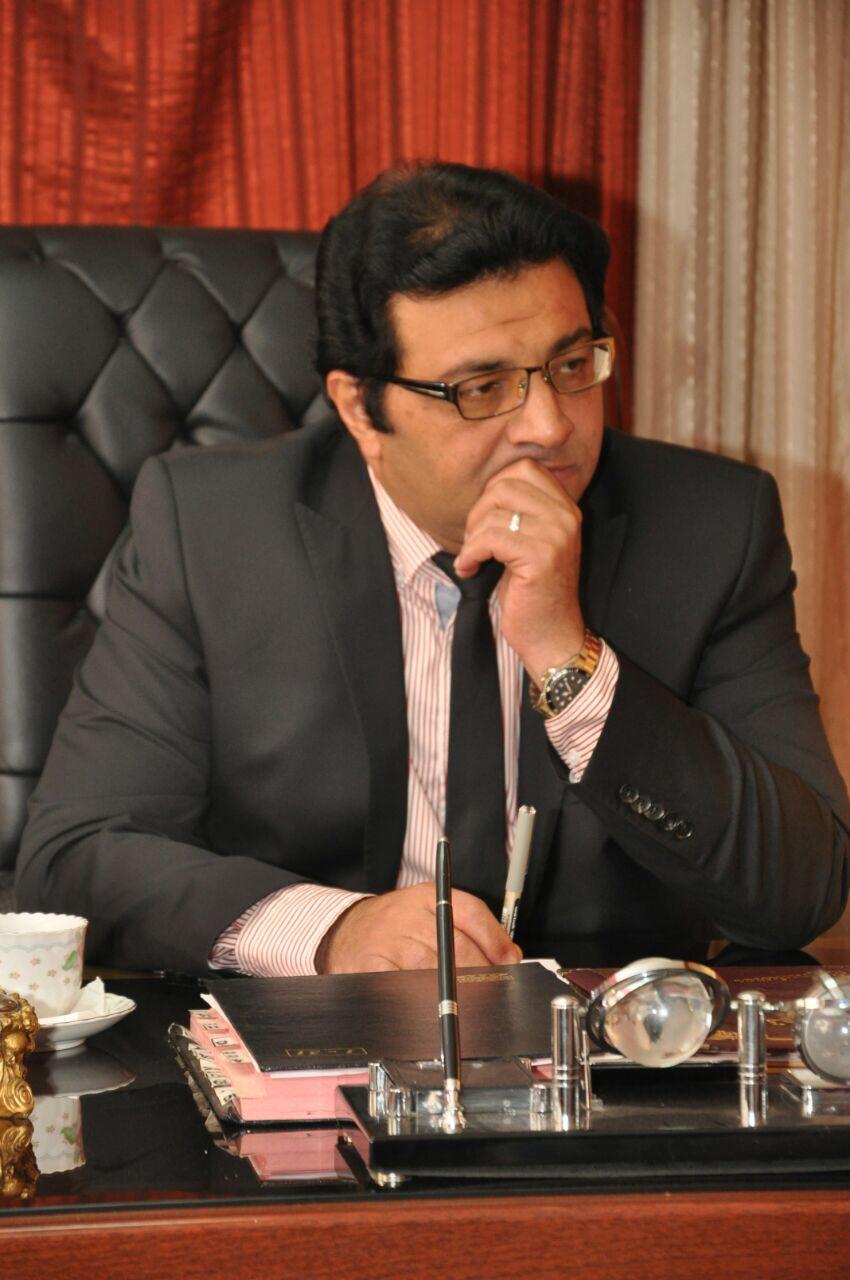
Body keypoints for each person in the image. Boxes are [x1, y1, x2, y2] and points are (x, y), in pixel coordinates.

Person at [15, 162, 850, 976]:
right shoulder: (212, 530)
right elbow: (78, 856)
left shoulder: (710, 527)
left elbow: (804, 889)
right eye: (482, 387)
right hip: (313, 1044)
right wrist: (335, 931)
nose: (550, 426)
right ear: (359, 408)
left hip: (603, 1048)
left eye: (571, 365)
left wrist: (570, 661)